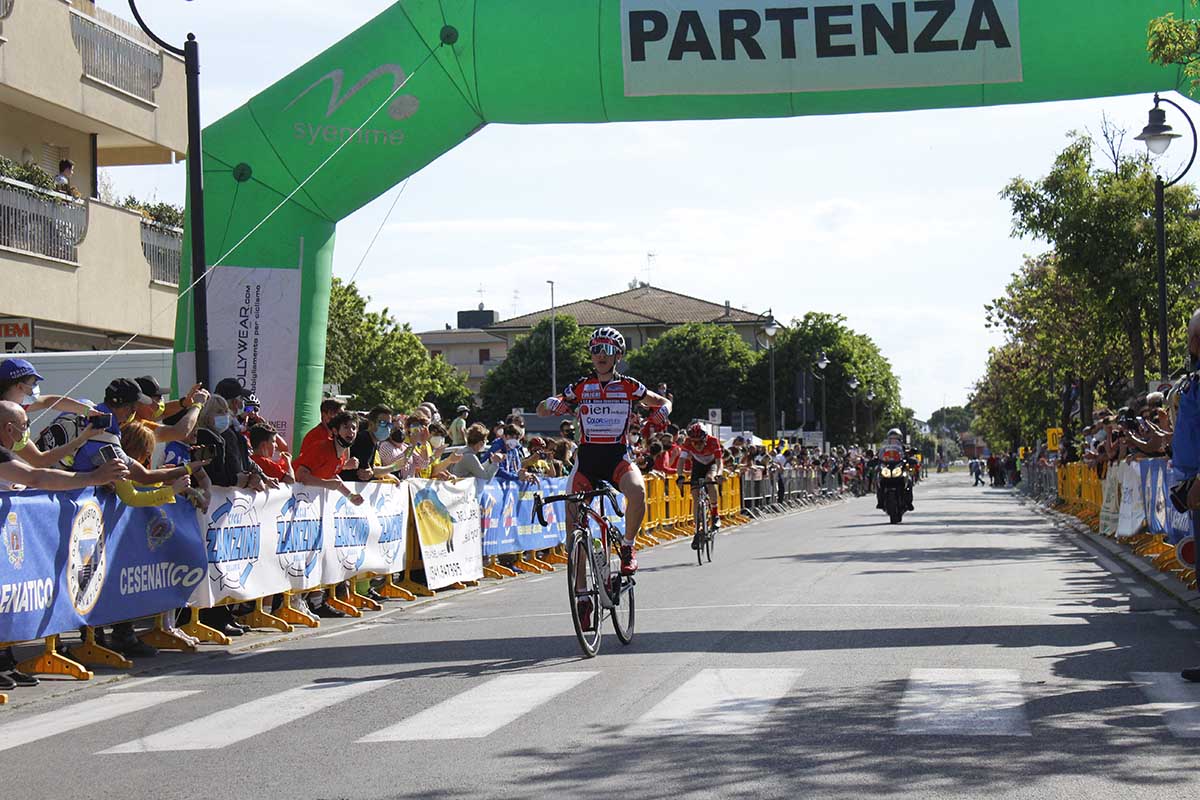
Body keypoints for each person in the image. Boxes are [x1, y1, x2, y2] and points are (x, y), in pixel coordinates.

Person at [537, 325, 672, 590]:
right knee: (573, 527)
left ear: (618, 356)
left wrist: (664, 411)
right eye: (596, 349)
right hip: (587, 460)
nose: (601, 354)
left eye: (608, 350)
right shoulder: (581, 386)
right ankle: (582, 592)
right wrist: (550, 403)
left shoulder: (629, 385)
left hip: (616, 457)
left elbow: (663, 401)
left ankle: (628, 547)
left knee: (637, 491)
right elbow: (541, 410)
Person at [677, 422, 724, 548]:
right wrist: (680, 476)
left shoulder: (713, 441)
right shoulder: (687, 442)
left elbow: (720, 462)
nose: (696, 445)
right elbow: (681, 461)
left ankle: (715, 513)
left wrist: (719, 474)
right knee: (696, 496)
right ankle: (697, 530)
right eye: (694, 442)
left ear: (705, 438)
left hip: (711, 464)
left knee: (710, 478)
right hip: (697, 465)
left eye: (699, 442)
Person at [874, 428, 915, 512]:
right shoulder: (884, 448)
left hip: (898, 467)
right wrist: (875, 460)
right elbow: (879, 456)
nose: (893, 440)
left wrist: (910, 459)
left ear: (899, 439)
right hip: (887, 467)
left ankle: (909, 502)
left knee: (909, 480)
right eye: (891, 438)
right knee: (879, 479)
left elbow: (908, 456)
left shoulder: (904, 448)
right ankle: (880, 501)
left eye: (895, 438)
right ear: (888, 439)